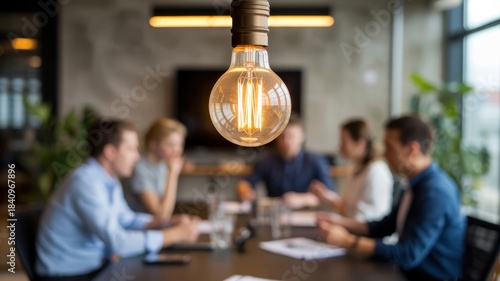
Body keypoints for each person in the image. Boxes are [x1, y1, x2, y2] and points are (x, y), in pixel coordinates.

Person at [36, 119, 199, 280]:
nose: (136, 157)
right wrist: (174, 235)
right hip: (69, 274)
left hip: (94, 267)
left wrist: (166, 223)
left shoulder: (108, 179)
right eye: (131, 149)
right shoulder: (85, 182)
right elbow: (118, 243)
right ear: (110, 152)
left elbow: (126, 219)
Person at [317, 115, 465, 281]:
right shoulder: (414, 183)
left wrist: (348, 241)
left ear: (412, 150)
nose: (384, 154)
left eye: (389, 148)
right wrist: (340, 223)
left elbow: (408, 255)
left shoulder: (435, 191)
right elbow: (386, 226)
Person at [237, 114, 336, 209]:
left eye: (291, 136)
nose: (286, 141)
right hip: (275, 215)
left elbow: (330, 194)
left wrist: (302, 200)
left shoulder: (315, 161)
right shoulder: (267, 161)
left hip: (306, 214)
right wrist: (245, 191)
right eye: (282, 136)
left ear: (302, 136)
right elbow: (245, 183)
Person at [310, 119, 393, 221]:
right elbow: (348, 208)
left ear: (360, 143)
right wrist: (326, 196)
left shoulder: (376, 171)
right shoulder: (357, 167)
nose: (340, 146)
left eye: (344, 141)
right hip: (353, 228)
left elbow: (366, 218)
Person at [123, 118, 188, 220]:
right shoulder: (140, 169)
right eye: (171, 145)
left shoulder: (162, 164)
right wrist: (173, 174)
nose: (177, 150)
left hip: (154, 226)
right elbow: (161, 215)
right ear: (153, 145)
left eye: (180, 144)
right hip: (138, 229)